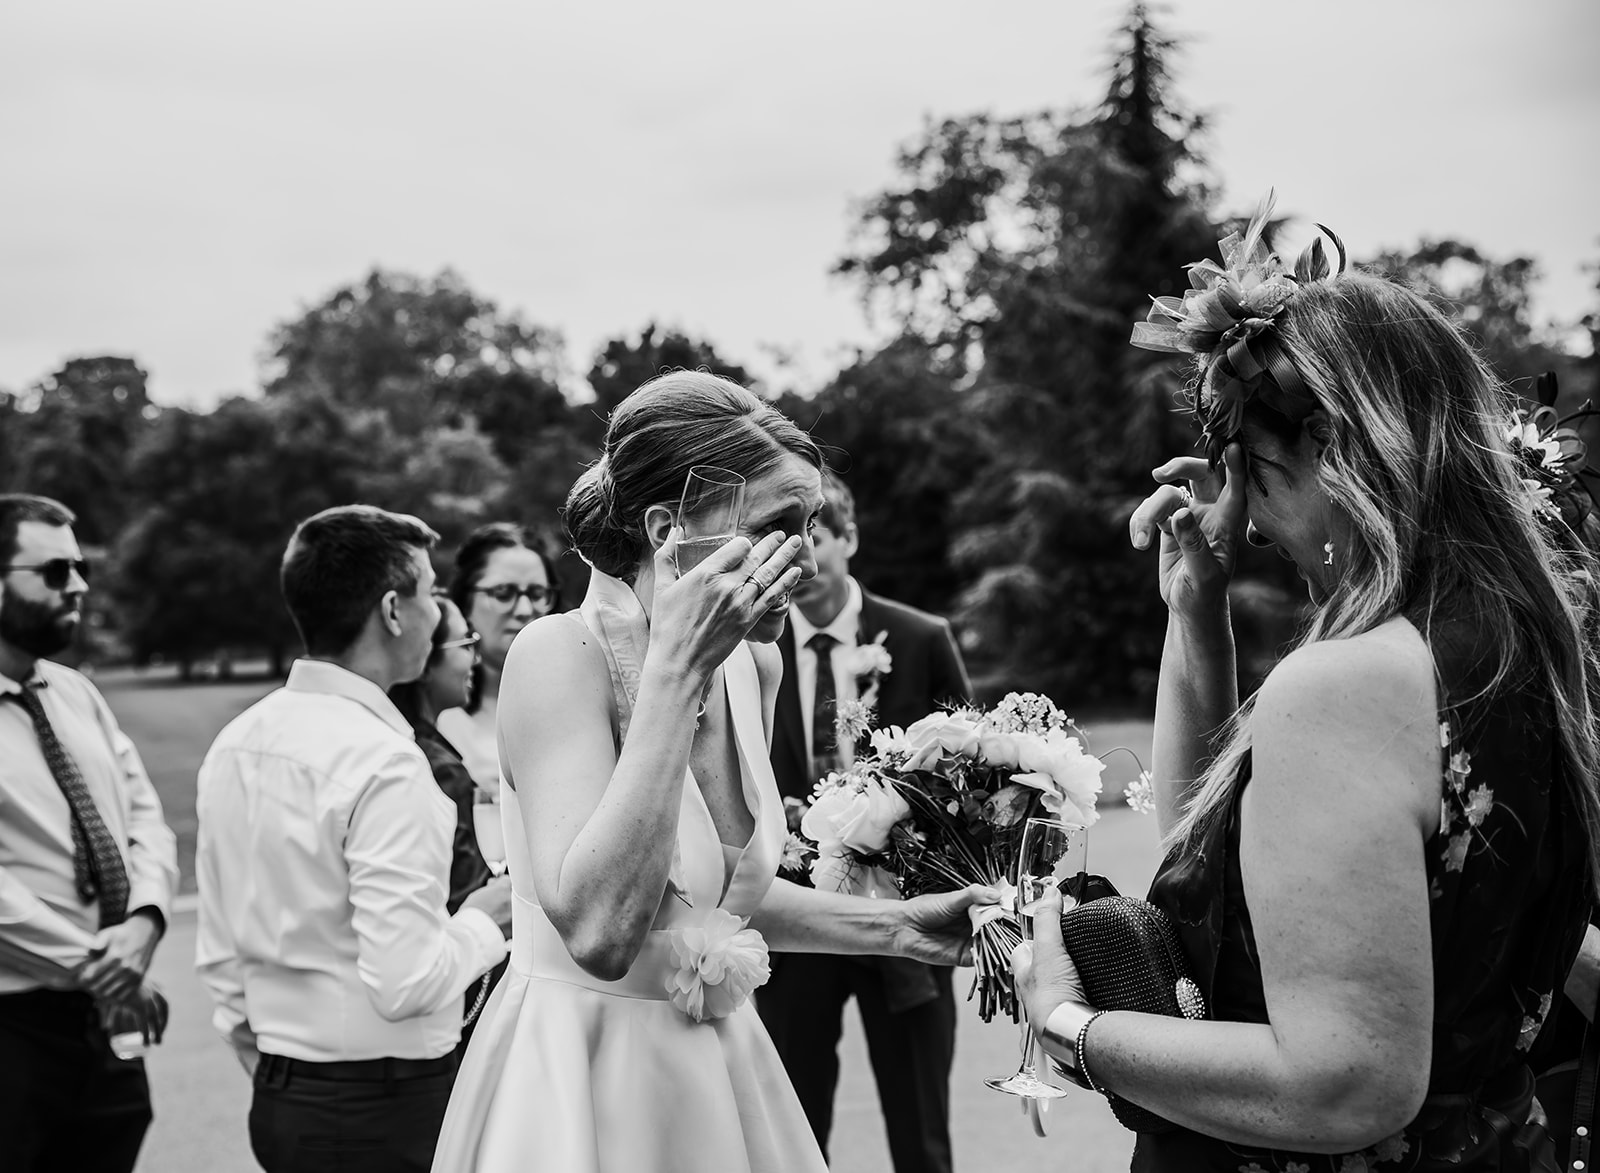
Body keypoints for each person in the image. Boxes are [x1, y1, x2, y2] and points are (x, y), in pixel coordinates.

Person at [1012, 200, 1599, 1170]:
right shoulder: (1519, 648)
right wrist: (1197, 614)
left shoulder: (1348, 683)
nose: (1255, 526)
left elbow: (1342, 1084)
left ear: (1331, 444)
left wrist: (1069, 1023)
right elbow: (1228, 877)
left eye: (1257, 478)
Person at [430, 372, 992, 1173]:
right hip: (585, 1084)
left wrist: (901, 928)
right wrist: (674, 675)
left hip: (721, 1073)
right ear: (667, 527)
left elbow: (727, 899)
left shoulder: (752, 666)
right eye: (775, 525)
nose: (800, 557)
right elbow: (601, 930)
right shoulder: (561, 657)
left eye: (810, 525)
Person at [195, 505, 514, 1173]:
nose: (438, 611)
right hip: (383, 1108)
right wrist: (488, 919)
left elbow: (220, 951)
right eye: (430, 591)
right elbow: (407, 982)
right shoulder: (388, 762)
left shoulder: (236, 742)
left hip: (283, 1099)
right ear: (394, 610)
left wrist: (279, 1069)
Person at [759, 470, 973, 1173]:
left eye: (812, 539)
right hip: (796, 928)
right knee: (794, 1128)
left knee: (922, 1135)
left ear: (847, 539)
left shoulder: (919, 637)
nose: (795, 560)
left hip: (906, 918)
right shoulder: (751, 649)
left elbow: (966, 780)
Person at [0, 493, 177, 1173]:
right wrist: (104, 968)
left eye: (78, 567)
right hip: (14, 1031)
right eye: (53, 571)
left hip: (102, 1029)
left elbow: (144, 818)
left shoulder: (76, 693)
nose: (77, 584)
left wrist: (146, 920)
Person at [390, 595, 504, 1050]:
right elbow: (465, 893)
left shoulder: (420, 745)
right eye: (465, 643)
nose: (475, 657)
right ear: (425, 660)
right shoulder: (435, 768)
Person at [437, 522, 561, 790]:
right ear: (464, 602)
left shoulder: (580, 694)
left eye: (538, 594)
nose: (525, 609)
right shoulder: (434, 706)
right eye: (503, 593)